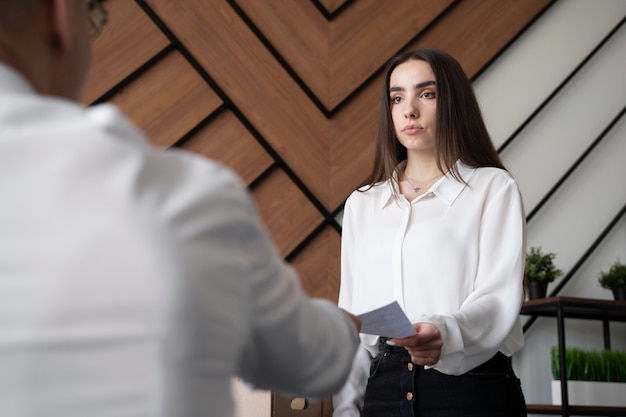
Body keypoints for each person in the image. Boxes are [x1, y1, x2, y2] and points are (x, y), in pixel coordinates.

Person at [0, 1, 361, 416]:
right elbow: (313, 362)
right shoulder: (185, 201)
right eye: (92, 18)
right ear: (60, 15)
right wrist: (343, 327)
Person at [332, 47, 528, 417]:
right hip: (384, 389)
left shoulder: (492, 188)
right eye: (397, 97)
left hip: (472, 390)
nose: (409, 109)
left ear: (452, 102)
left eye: (426, 94)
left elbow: (497, 299)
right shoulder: (363, 203)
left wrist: (445, 333)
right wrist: (346, 410)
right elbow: (357, 331)